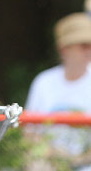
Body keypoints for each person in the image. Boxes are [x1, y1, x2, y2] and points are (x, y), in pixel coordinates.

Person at [24, 12, 91, 170]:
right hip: (49, 163)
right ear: (64, 49)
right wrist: (53, 155)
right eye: (83, 45)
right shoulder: (44, 82)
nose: (89, 50)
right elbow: (29, 132)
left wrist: (79, 159)